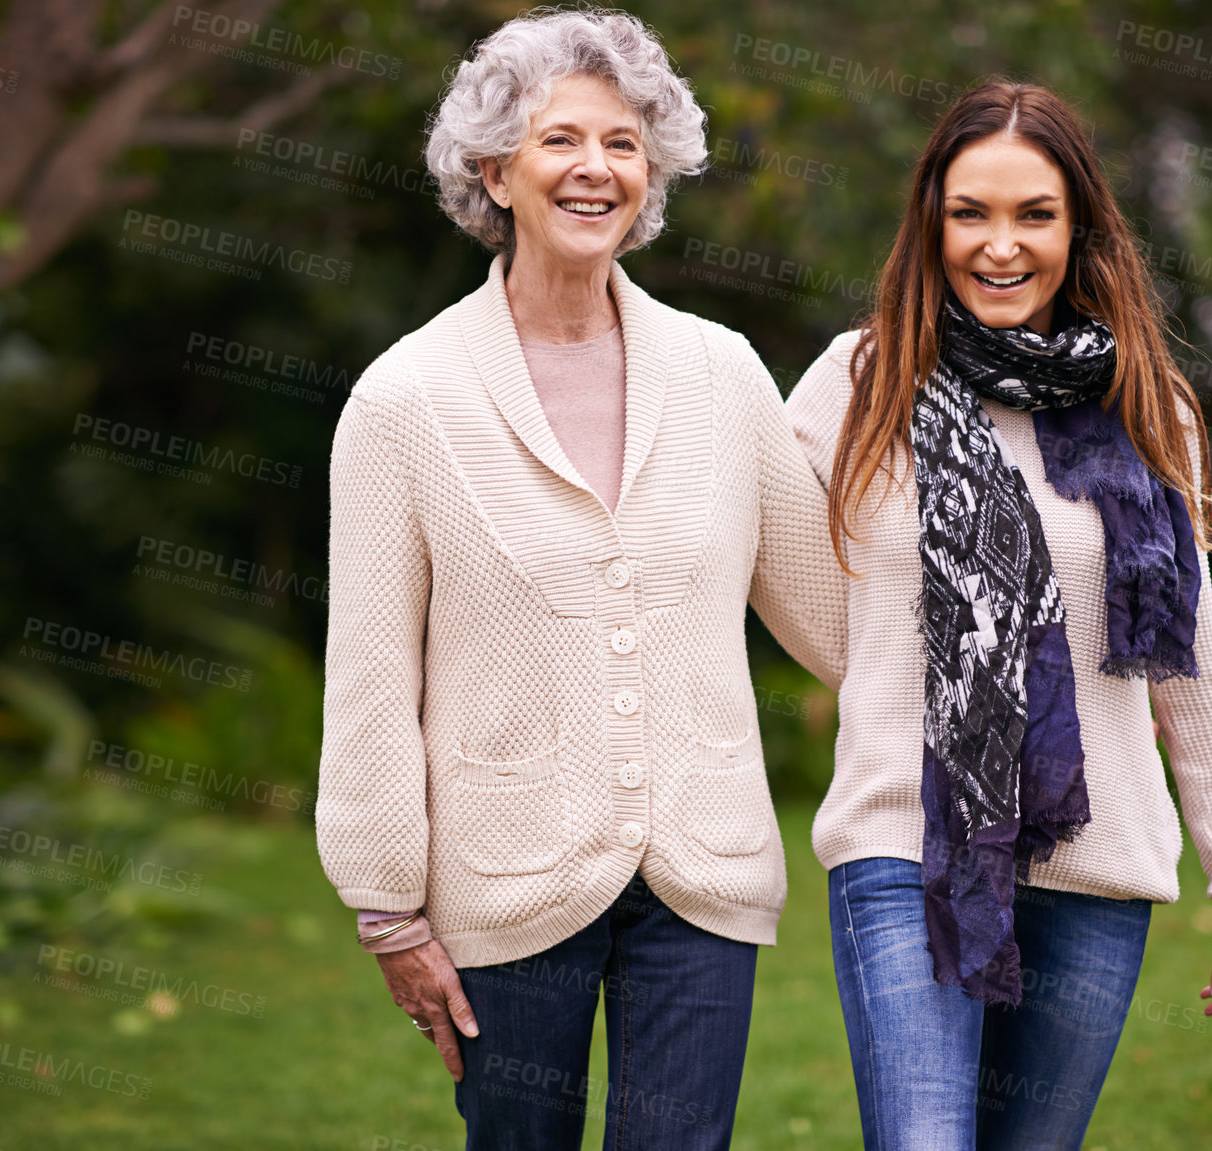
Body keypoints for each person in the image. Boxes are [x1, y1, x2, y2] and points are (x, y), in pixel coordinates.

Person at [314, 10, 844, 1149]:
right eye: (560, 141)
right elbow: (367, 673)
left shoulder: (721, 372)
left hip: (705, 870)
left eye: (622, 142)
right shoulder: (404, 399)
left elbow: (835, 607)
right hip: (502, 881)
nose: (594, 168)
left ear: (652, 174)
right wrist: (388, 907)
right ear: (496, 171)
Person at [784, 79, 1212, 1150]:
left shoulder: (1151, 403)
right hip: (905, 843)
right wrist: (894, 678)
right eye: (971, 213)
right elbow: (776, 573)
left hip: (1097, 862)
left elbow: (1191, 661)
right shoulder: (857, 382)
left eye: (1033, 215)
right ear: (931, 221)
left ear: (1080, 227)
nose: (999, 245)